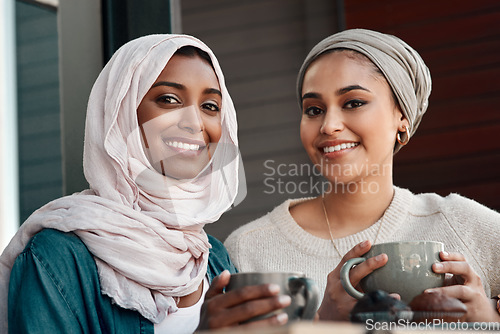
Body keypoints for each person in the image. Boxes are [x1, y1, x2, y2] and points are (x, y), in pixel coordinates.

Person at [0, 34, 291, 333]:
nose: (195, 122)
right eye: (169, 100)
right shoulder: (57, 257)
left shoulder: (212, 257)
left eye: (210, 106)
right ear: (121, 113)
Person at [224, 29, 500, 322]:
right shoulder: (249, 249)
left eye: (353, 102)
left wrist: (491, 320)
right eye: (314, 109)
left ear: (402, 118)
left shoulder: (462, 224)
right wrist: (321, 323)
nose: (329, 125)